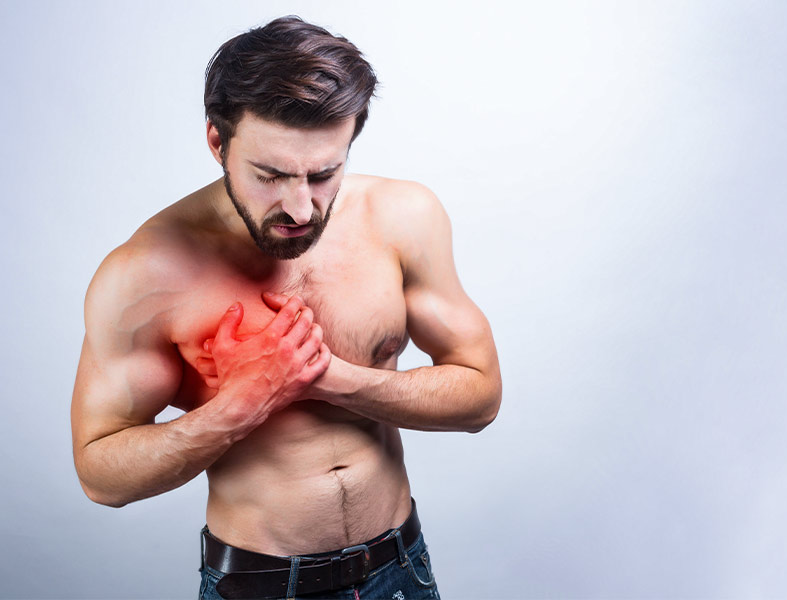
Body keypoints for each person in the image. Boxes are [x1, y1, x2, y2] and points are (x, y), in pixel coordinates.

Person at [71, 15, 501, 600]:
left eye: (325, 174)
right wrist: (240, 406)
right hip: (260, 586)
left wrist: (330, 378)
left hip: (401, 567)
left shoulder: (403, 218)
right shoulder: (144, 275)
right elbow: (100, 475)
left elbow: (480, 397)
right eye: (270, 175)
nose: (301, 207)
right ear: (218, 142)